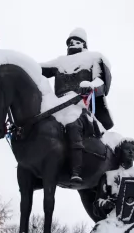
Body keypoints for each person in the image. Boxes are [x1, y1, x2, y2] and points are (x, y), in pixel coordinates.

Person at [41, 28, 113, 183]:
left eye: (77, 40)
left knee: (73, 124)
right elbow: (37, 69)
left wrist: (90, 86)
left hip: (80, 104)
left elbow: (101, 83)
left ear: (84, 43)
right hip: (57, 106)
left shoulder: (94, 58)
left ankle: (76, 169)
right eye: (70, 41)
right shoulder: (59, 62)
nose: (73, 43)